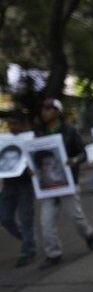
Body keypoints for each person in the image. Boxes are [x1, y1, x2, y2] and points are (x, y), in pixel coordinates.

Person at [36, 98, 93, 269]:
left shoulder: (70, 131)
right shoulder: (39, 133)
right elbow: (34, 156)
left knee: (76, 217)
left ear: (57, 112)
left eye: (48, 109)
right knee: (46, 221)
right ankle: (53, 253)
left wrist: (74, 160)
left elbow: (83, 153)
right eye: (43, 109)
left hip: (67, 182)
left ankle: (89, 235)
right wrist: (31, 167)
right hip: (47, 184)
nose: (44, 112)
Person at [0, 109, 36, 267]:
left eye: (14, 124)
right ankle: (27, 240)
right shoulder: (4, 141)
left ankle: (27, 251)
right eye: (9, 124)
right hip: (8, 184)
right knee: (5, 218)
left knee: (25, 218)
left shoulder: (30, 140)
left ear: (23, 125)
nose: (11, 127)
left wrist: (32, 167)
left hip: (25, 184)